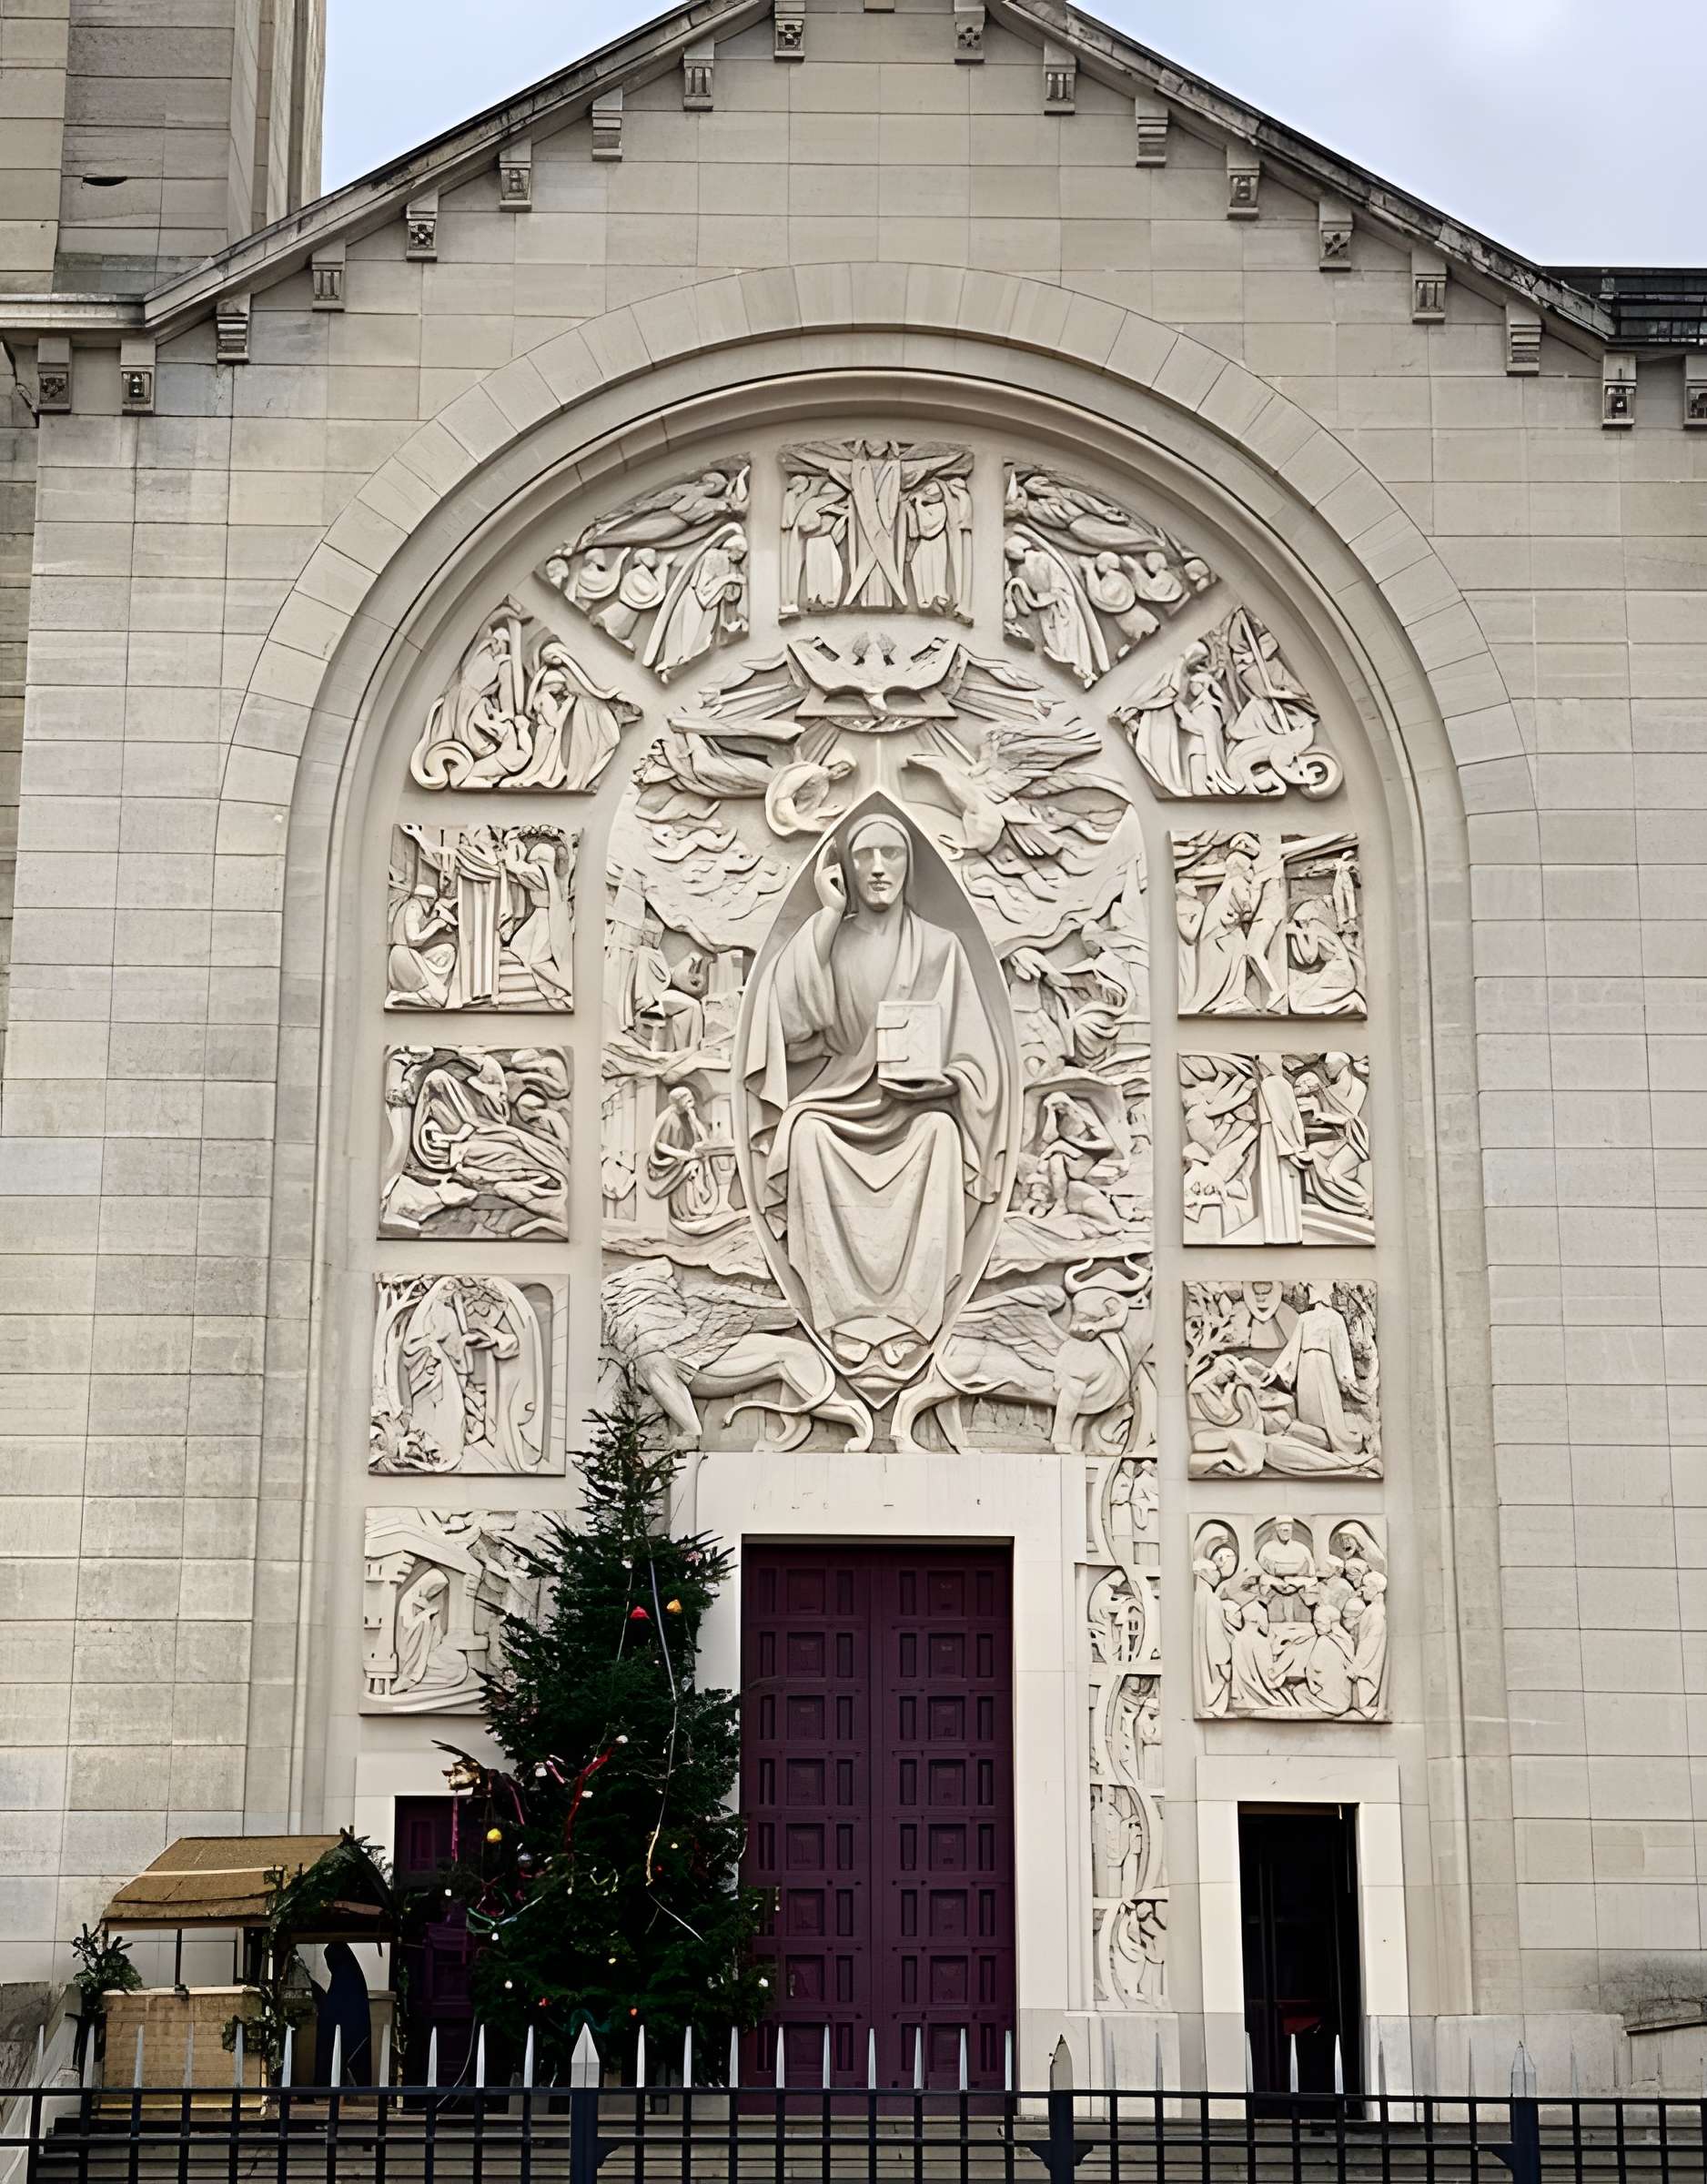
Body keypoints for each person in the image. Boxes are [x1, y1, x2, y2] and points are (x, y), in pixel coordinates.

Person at [743, 817, 1004, 1387]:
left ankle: (910, 1321)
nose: (879, 867)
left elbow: (979, 1056)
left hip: (914, 1112)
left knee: (940, 1132)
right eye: (865, 856)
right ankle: (842, 1317)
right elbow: (788, 1025)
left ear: (909, 866)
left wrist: (948, 1083)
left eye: (892, 854)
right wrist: (829, 916)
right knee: (805, 1133)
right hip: (841, 1101)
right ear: (847, 869)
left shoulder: (941, 948)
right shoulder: (830, 940)